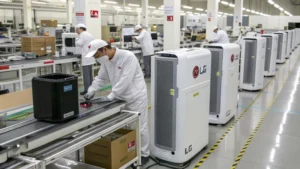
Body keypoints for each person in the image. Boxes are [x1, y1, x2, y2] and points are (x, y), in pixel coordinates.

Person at [84, 40, 150, 165]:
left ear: (104, 49)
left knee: (140, 127)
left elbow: (126, 80)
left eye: (97, 56)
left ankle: (144, 153)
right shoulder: (106, 61)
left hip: (136, 96)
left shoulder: (127, 57)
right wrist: (91, 90)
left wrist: (111, 96)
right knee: (126, 127)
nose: (97, 59)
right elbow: (101, 78)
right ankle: (129, 152)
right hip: (120, 97)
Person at [75, 23, 95, 95]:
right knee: (90, 75)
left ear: (80, 28)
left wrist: (75, 40)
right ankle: (90, 89)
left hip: (86, 58)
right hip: (90, 57)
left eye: (77, 30)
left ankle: (87, 90)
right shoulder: (89, 34)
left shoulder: (82, 34)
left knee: (86, 75)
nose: (77, 31)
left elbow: (79, 43)